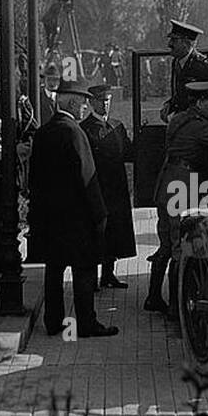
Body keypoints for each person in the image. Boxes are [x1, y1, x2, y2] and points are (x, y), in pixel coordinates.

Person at [27, 80, 118, 338]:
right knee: (84, 271)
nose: (86, 107)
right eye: (84, 102)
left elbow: (35, 178)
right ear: (74, 102)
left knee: (54, 271)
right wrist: (100, 215)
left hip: (51, 219)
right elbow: (87, 179)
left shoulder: (44, 132)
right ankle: (86, 324)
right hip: (78, 220)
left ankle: (54, 323)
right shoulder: (75, 133)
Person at [145, 79, 208, 317]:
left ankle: (153, 297)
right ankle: (177, 308)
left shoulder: (179, 119)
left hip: (168, 183)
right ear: (200, 102)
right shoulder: (199, 127)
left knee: (165, 244)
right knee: (180, 248)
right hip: (182, 187)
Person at [81, 83, 137, 290]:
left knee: (115, 232)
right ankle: (92, 277)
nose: (105, 104)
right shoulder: (85, 129)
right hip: (97, 188)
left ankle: (108, 274)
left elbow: (129, 153)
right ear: (91, 103)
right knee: (97, 232)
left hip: (117, 188)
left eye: (108, 100)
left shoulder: (117, 126)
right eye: (101, 101)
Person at [160, 19, 208, 122]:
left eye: (174, 40)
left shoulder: (203, 67)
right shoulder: (176, 62)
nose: (169, 44)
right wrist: (169, 105)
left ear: (186, 43)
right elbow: (179, 94)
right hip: (183, 119)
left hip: (199, 123)